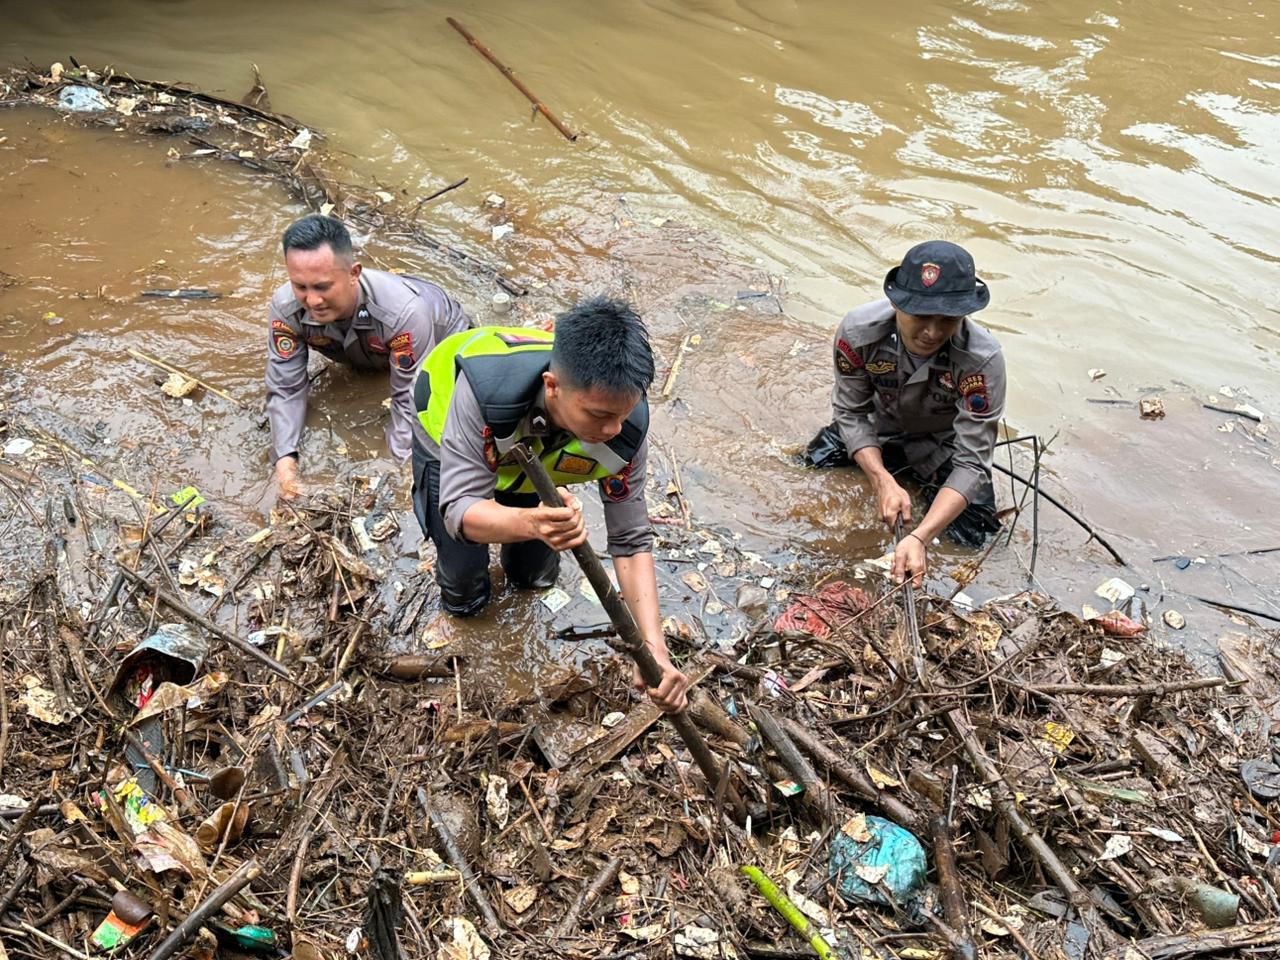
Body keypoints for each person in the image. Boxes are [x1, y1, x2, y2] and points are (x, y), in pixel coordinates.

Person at [411, 297, 689, 713]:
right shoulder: (486, 391)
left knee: (534, 576)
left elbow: (630, 539)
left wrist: (654, 646)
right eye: (598, 415)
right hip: (453, 432)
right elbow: (458, 510)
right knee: (464, 587)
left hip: (538, 455)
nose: (613, 430)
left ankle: (527, 565)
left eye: (622, 415)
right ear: (552, 386)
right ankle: (466, 606)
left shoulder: (623, 422)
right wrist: (531, 522)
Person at [806, 240, 1005, 587]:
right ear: (897, 304)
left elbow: (972, 462)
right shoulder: (857, 332)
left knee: (975, 534)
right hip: (878, 432)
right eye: (921, 316)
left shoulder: (982, 360)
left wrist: (920, 537)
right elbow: (851, 413)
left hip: (942, 446)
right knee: (813, 461)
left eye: (947, 319)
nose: (932, 332)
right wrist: (881, 479)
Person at [265, 214, 471, 498]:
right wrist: (285, 467)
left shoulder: (404, 314)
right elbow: (285, 386)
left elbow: (409, 401)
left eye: (323, 287)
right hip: (368, 346)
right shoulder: (285, 307)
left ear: (354, 273)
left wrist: (392, 474)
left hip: (439, 337)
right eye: (300, 287)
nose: (312, 301)